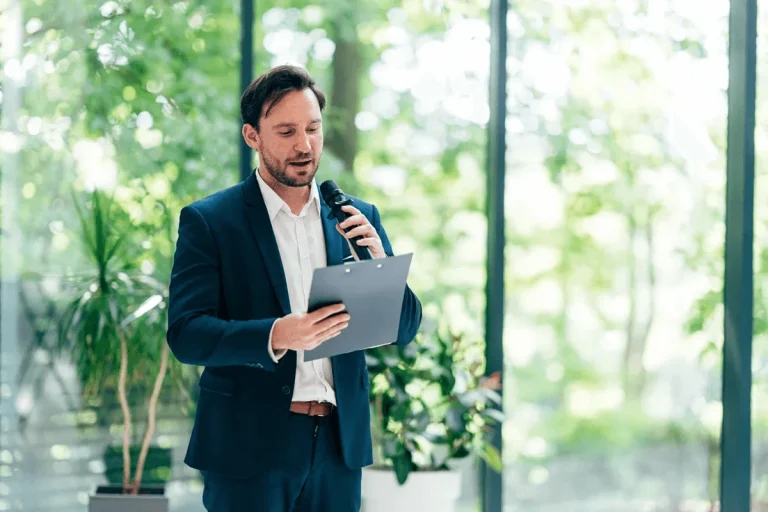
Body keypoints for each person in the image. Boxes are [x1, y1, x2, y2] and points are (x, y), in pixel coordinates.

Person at [166, 64, 423, 512]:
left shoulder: (354, 217)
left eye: (312, 128)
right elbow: (187, 334)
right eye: (286, 131)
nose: (304, 145)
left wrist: (380, 262)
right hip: (248, 449)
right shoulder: (211, 221)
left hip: (338, 450)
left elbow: (404, 329)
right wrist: (277, 335)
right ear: (252, 136)